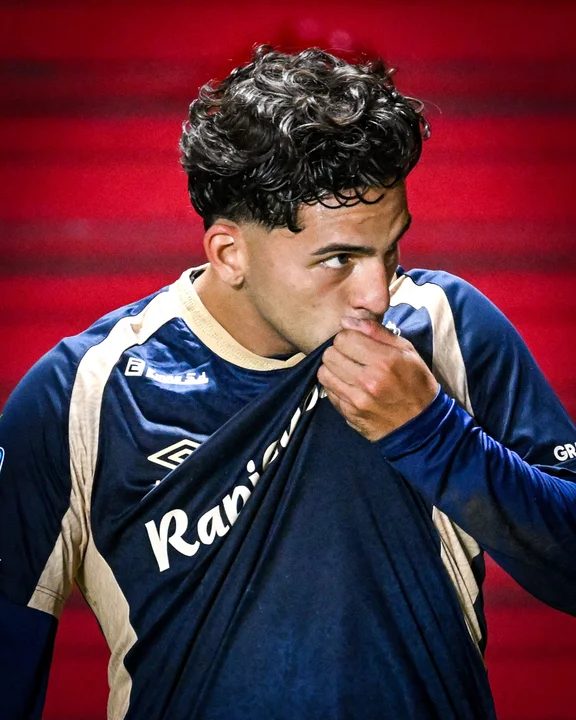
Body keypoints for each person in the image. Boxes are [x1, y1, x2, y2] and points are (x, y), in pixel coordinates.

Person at [1, 45, 575, 720]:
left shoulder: (449, 326)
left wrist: (436, 437)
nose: (377, 294)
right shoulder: (82, 393)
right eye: (339, 259)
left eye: (390, 249)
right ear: (229, 253)